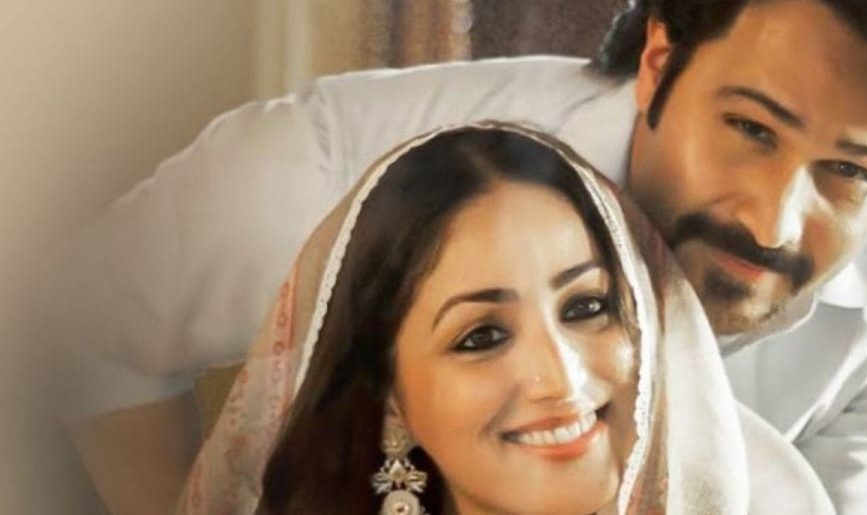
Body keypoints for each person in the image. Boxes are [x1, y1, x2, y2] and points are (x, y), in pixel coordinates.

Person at [58, 0, 867, 513]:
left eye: (849, 172)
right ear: (659, 62)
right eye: (751, 129)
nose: (772, 219)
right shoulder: (356, 164)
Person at [178, 123, 832, 514]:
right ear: (390, 392)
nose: (560, 377)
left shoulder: (769, 498)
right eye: (482, 336)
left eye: (586, 307)